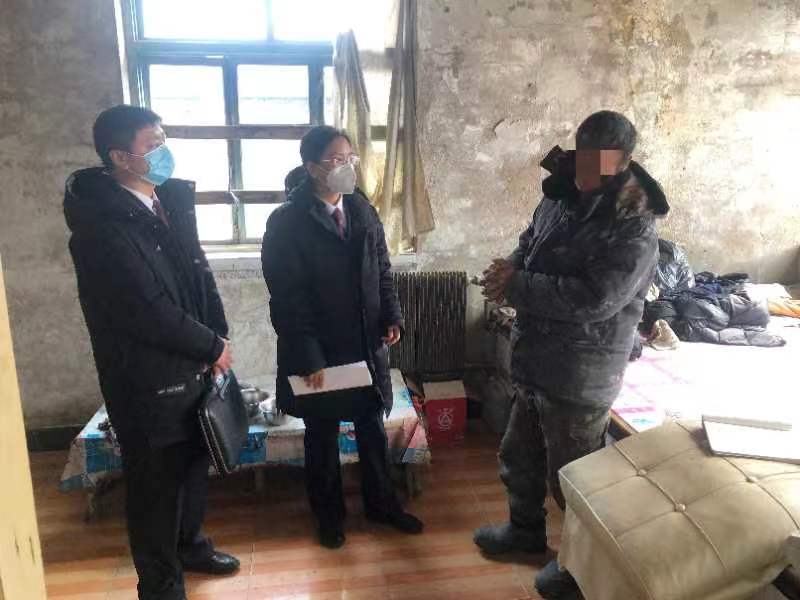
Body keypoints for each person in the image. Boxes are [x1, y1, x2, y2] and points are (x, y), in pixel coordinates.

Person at [473, 111, 669, 599]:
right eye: (585, 160)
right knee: (519, 455)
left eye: (602, 165)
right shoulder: (560, 194)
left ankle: (582, 570)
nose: (589, 174)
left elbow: (595, 300)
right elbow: (529, 242)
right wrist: (508, 269)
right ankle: (524, 531)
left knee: (576, 479)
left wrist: (518, 285)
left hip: (583, 369)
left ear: (624, 163)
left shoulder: (634, 225)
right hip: (536, 356)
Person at [64, 105, 239, 600]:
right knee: (156, 488)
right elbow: (145, 309)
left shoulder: (163, 206)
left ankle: (191, 546)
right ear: (120, 157)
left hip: (192, 365)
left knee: (193, 466)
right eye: (153, 144)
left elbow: (198, 278)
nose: (164, 152)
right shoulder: (102, 228)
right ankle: (161, 586)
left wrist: (217, 338)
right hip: (146, 379)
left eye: (164, 140)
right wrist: (211, 345)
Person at [262, 126, 424, 549]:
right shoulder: (287, 221)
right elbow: (287, 298)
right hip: (320, 348)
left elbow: (382, 268)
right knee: (322, 433)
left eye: (350, 157)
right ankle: (329, 516)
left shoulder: (360, 208)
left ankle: (382, 505)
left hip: (364, 342)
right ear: (312, 167)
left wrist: (392, 314)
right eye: (336, 159)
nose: (347, 166)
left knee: (371, 427)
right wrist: (308, 355)